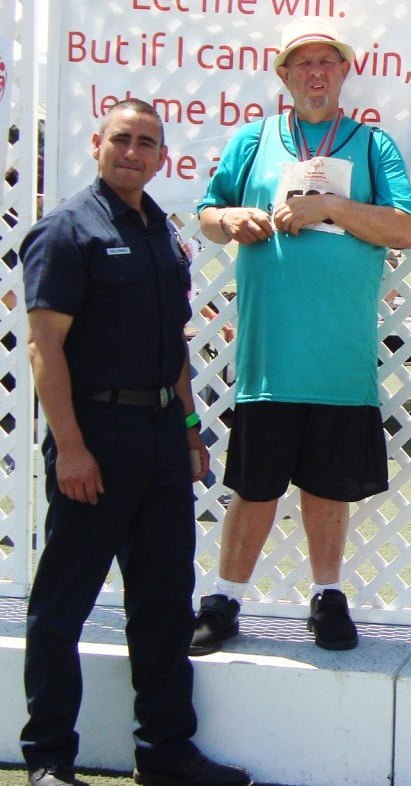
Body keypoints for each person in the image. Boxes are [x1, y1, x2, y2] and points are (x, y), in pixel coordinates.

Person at [19, 99, 250, 786]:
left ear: (161, 157)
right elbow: (44, 349)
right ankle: (49, 758)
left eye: (147, 142)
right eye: (122, 138)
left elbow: (171, 343)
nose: (133, 151)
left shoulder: (161, 233)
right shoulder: (67, 231)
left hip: (159, 439)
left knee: (164, 604)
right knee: (63, 605)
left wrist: (189, 430)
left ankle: (165, 753)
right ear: (98, 143)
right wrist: (71, 448)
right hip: (96, 438)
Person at [190, 17, 411, 654]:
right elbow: (207, 213)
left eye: (327, 62)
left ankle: (327, 595)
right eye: (303, 63)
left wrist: (329, 207)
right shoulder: (254, 139)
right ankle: (225, 599)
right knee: (254, 487)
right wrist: (230, 218)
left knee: (327, 488)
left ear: (344, 72)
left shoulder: (371, 146)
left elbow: (405, 230)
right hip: (270, 358)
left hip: (339, 361)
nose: (316, 73)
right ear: (285, 75)